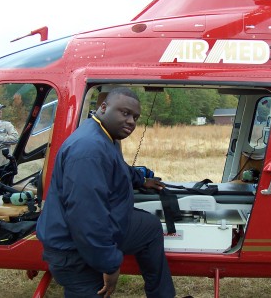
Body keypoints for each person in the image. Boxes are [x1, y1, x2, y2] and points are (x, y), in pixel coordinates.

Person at [36, 87, 176, 298]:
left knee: (149, 227)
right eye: (125, 113)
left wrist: (141, 180)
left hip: (103, 226)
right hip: (74, 250)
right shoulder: (89, 149)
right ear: (103, 107)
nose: (131, 121)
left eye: (135, 117)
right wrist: (109, 265)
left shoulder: (105, 136)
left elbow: (117, 168)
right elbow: (86, 219)